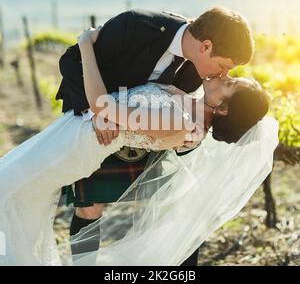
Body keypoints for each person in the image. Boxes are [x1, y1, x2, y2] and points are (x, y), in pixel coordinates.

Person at [0, 27, 276, 265]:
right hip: (74, 136)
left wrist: (85, 46)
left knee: (9, 189)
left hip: (76, 146)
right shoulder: (189, 105)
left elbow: (101, 105)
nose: (225, 76)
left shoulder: (179, 122)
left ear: (225, 109)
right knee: (17, 199)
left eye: (231, 83)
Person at [57, 7, 254, 265]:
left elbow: (171, 100)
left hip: (145, 130)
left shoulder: (200, 67)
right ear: (206, 46)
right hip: (97, 126)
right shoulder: (136, 25)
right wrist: (92, 112)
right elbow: (70, 61)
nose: (222, 74)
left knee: (178, 206)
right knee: (89, 207)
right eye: (224, 66)